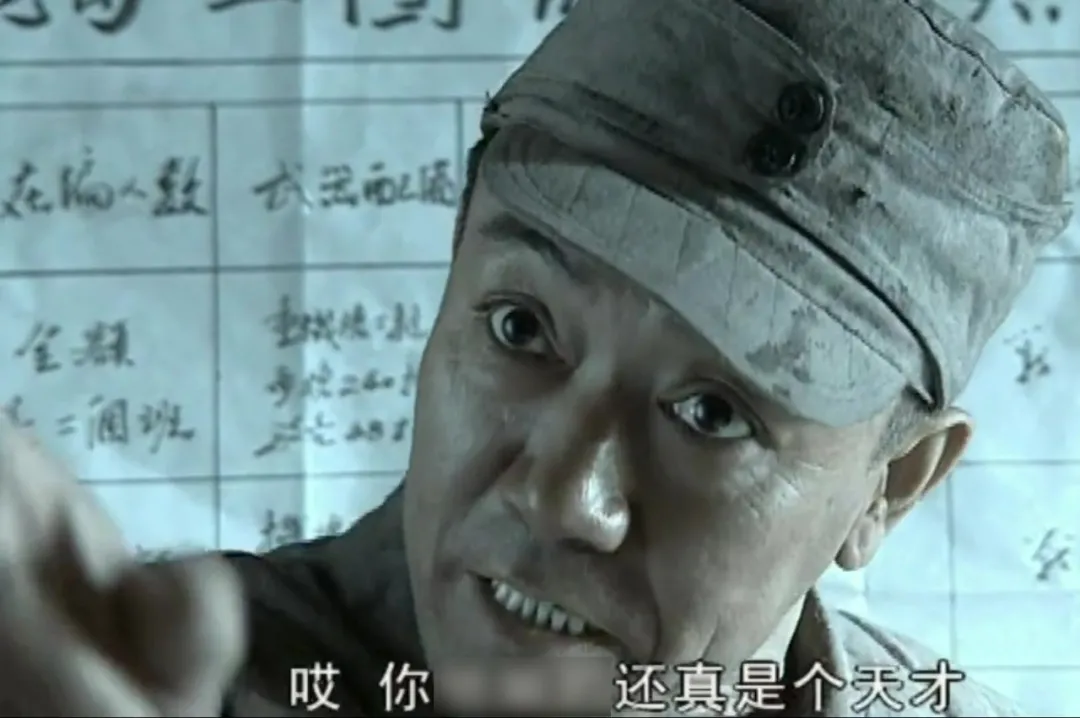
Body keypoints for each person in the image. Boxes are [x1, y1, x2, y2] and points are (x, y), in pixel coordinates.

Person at [0, 0, 1071, 715]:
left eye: (712, 413)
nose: (565, 497)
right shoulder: (155, 683)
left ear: (891, 483)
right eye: (520, 328)